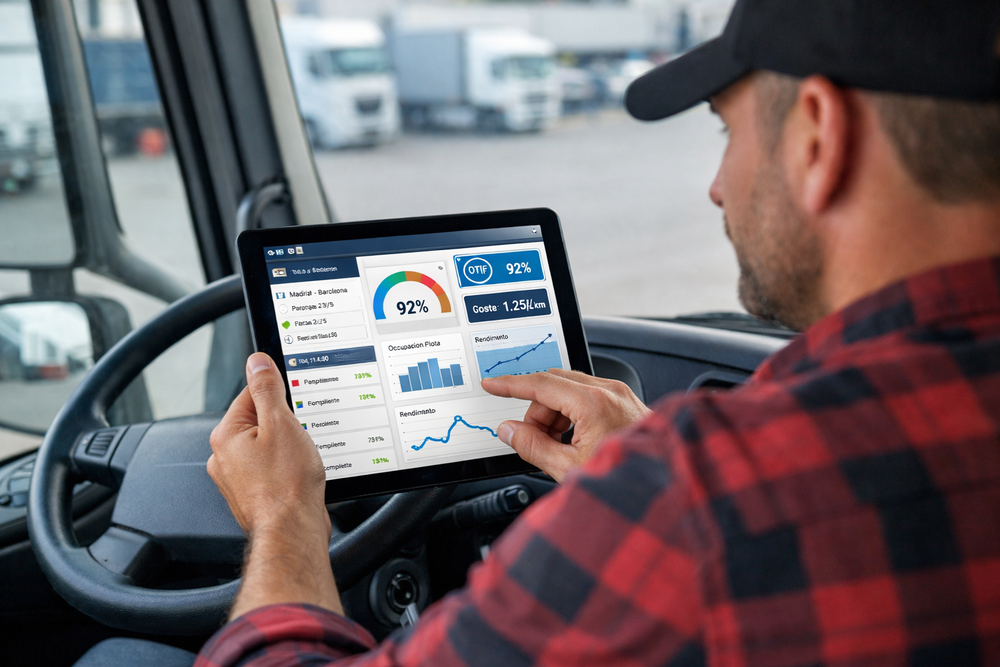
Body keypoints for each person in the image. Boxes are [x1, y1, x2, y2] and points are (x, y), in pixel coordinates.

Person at [79, 1, 999, 665]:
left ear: (817, 135)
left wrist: (285, 519)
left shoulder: (704, 499)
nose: (717, 187)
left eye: (725, 130)